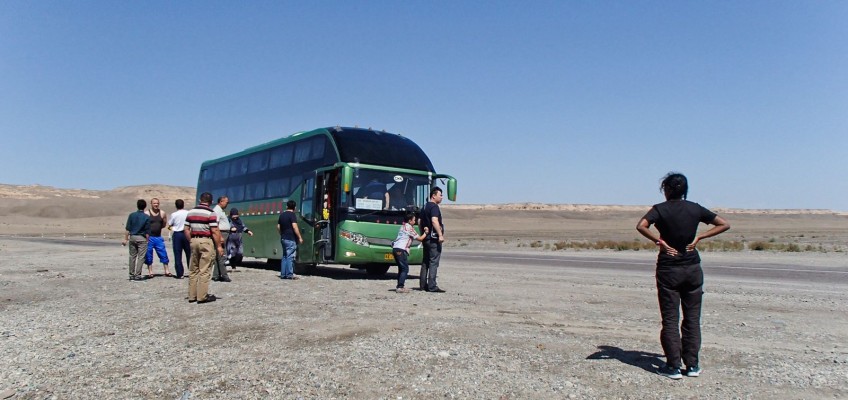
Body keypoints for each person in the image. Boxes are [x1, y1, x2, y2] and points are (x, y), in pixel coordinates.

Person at [636, 172, 730, 380]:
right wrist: (700, 237)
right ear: (685, 190)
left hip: (669, 268)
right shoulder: (695, 208)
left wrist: (659, 242)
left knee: (670, 318)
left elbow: (641, 225)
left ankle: (673, 366)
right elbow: (724, 223)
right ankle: (692, 365)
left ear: (667, 190)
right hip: (692, 268)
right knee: (692, 319)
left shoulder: (659, 210)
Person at [185, 192, 224, 304]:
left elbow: (186, 229)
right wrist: (219, 246)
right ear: (211, 202)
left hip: (194, 240)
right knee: (204, 269)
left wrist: (191, 240)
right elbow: (214, 230)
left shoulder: (191, 212)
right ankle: (202, 296)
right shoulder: (210, 213)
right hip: (206, 241)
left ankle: (192, 296)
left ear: (200, 200)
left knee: (193, 270)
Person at [391, 212, 428, 293]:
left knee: (401, 268)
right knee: (405, 269)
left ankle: (400, 286)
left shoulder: (402, 226)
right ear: (410, 220)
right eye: (414, 220)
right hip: (401, 249)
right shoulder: (409, 228)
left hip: (395, 248)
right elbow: (420, 238)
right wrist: (426, 232)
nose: (415, 221)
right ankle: (400, 287)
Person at [419, 187, 446, 293]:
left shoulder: (425, 206)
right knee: (434, 262)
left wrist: (423, 234)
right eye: (440, 195)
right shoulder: (434, 207)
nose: (442, 197)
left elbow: (419, 221)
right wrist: (440, 235)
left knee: (425, 261)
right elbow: (434, 221)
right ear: (433, 196)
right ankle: (432, 286)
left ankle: (422, 285)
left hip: (426, 238)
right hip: (434, 239)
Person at [122, 199, 150, 282]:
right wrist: (147, 240)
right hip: (142, 238)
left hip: (133, 237)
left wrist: (125, 239)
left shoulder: (131, 215)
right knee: (141, 257)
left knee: (132, 256)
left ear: (137, 205)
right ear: (145, 207)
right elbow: (148, 231)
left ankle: (131, 274)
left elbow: (127, 229)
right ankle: (138, 275)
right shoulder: (146, 217)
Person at [276, 200, 303, 280]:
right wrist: (300, 237)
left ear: (287, 206)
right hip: (290, 238)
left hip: (283, 238)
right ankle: (289, 274)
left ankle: (283, 274)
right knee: (290, 256)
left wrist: (282, 233)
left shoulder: (282, 215)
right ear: (294, 207)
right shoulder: (292, 215)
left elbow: (278, 227)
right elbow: (294, 227)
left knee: (284, 256)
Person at [144, 198, 171, 278]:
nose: (156, 205)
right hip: (149, 237)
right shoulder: (147, 213)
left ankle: (166, 270)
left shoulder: (162, 213)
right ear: (151, 204)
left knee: (163, 253)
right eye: (154, 203)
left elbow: (164, 224)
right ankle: (150, 271)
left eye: (157, 203)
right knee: (149, 254)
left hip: (158, 237)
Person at [167, 199, 191, 279]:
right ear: (183, 205)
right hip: (186, 233)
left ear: (176, 205)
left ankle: (180, 273)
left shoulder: (174, 214)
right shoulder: (188, 213)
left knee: (178, 254)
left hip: (177, 234)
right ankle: (191, 271)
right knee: (189, 253)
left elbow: (169, 225)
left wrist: (171, 230)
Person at [212, 196, 232, 282]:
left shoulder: (220, 210)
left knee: (218, 255)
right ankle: (224, 275)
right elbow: (215, 225)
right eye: (226, 202)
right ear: (221, 201)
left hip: (223, 233)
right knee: (222, 254)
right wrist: (220, 236)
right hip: (221, 233)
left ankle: (216, 275)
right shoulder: (217, 210)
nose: (227, 204)